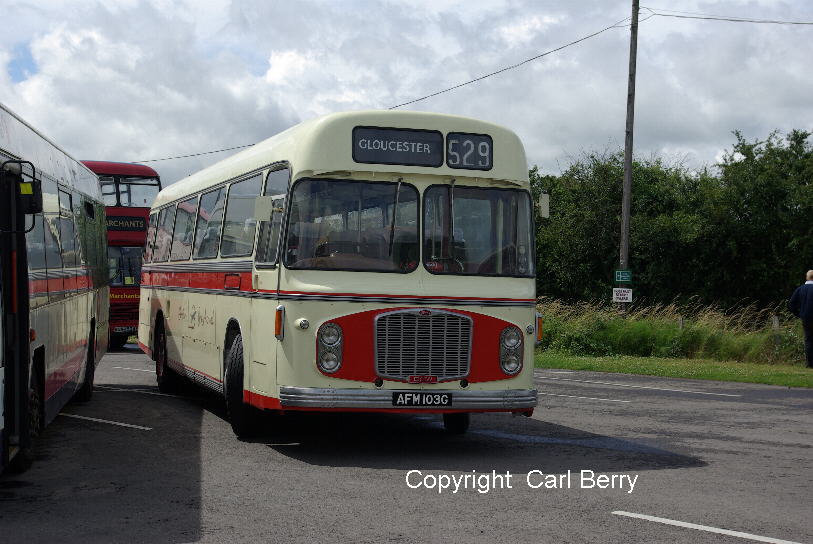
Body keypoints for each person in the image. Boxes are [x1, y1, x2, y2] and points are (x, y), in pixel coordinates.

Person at [788, 270, 813, 368]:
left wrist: (798, 314)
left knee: (808, 340)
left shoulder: (800, 289)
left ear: (807, 277)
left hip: (805, 318)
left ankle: (810, 364)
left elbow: (791, 304)